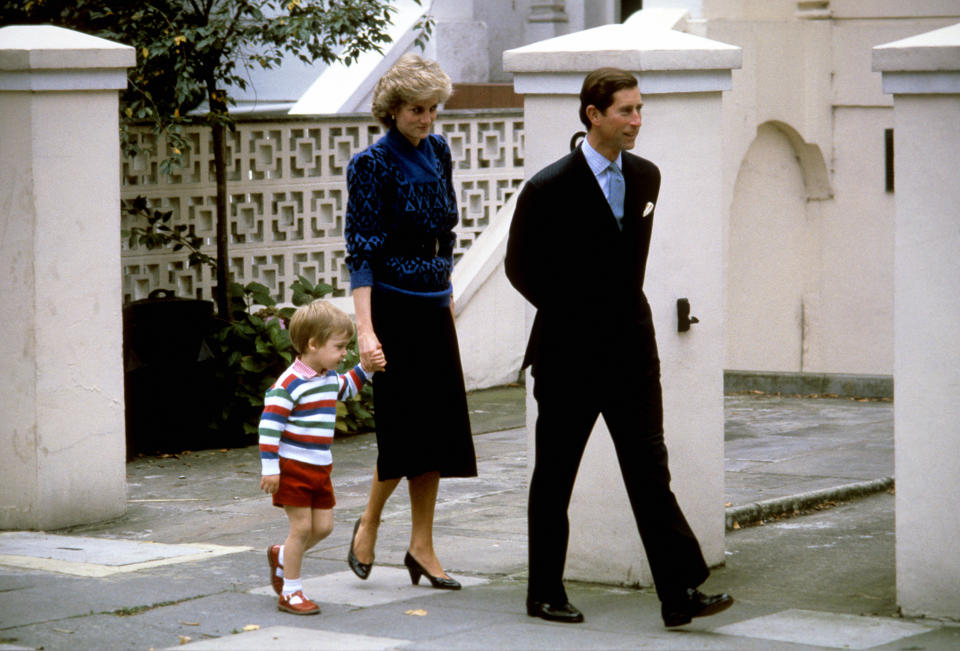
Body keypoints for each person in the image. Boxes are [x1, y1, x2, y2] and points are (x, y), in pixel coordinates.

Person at [504, 67, 734, 627]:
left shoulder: (647, 177)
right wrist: (573, 312)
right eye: (626, 111)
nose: (637, 121)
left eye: (639, 109)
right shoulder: (547, 187)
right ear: (594, 116)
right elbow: (518, 267)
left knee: (650, 472)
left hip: (632, 347)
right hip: (568, 354)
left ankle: (678, 593)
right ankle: (543, 592)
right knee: (556, 474)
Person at [343, 53, 478, 590]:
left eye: (433, 110)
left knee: (439, 430)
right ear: (393, 111)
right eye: (417, 110)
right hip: (392, 308)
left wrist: (446, 297)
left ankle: (422, 545)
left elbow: (444, 235)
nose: (427, 120)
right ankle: (369, 523)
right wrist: (365, 329)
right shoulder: (370, 165)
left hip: (433, 302)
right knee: (403, 431)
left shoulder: (440, 151)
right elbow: (361, 252)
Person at [259, 299, 384, 615]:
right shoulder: (289, 384)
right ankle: (291, 591)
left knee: (324, 527)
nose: (344, 353)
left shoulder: (327, 376)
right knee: (300, 529)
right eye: (340, 346)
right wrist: (271, 468)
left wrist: (365, 369)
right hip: (293, 467)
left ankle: (284, 556)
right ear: (312, 345)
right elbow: (269, 428)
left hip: (319, 466)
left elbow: (344, 388)